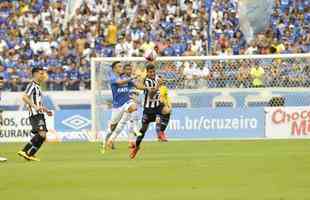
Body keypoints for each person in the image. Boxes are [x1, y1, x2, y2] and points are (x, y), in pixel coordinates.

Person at [130, 64, 171, 159]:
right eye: (150, 72)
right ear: (147, 72)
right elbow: (152, 95)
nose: (152, 73)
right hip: (148, 109)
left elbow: (160, 81)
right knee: (143, 130)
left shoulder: (157, 77)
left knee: (167, 110)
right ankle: (136, 147)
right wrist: (158, 85)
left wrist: (162, 81)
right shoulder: (147, 81)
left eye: (153, 71)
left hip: (157, 106)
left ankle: (161, 132)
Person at [101, 62, 141, 154]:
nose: (121, 68)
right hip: (117, 107)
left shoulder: (126, 79)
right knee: (112, 128)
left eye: (121, 66)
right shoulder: (112, 78)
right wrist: (133, 77)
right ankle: (105, 141)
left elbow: (138, 86)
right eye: (119, 66)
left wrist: (148, 87)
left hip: (126, 103)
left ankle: (135, 129)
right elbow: (120, 82)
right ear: (114, 69)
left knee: (134, 106)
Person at [17, 67, 53, 161]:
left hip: (39, 113)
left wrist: (46, 110)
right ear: (35, 74)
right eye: (41, 73)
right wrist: (34, 107)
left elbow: (38, 104)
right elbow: (24, 97)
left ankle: (30, 155)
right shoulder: (32, 85)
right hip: (35, 114)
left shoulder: (38, 86)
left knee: (43, 136)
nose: (43, 75)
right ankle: (24, 150)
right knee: (42, 134)